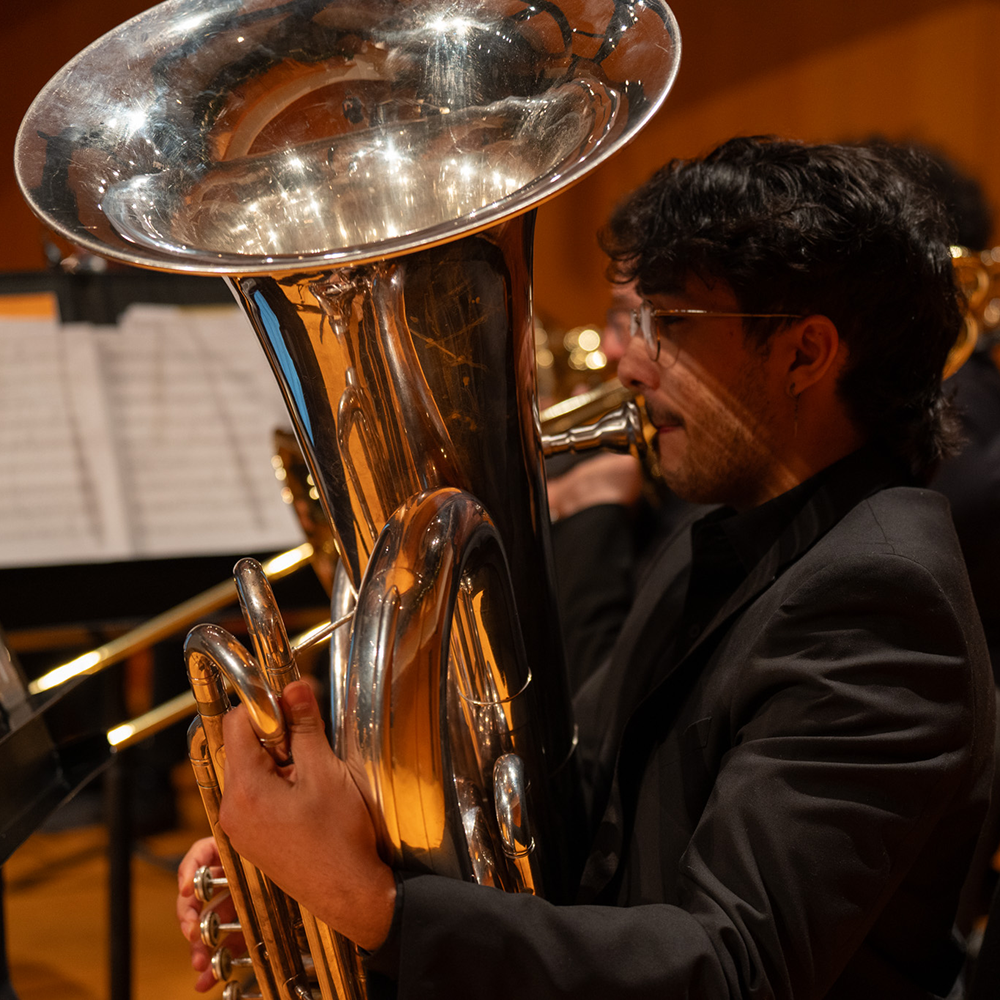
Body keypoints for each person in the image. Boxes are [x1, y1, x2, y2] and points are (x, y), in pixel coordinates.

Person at [177, 136, 996, 999]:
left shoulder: (881, 601)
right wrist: (314, 843)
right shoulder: (723, 535)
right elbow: (575, 817)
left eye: (670, 324)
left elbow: (733, 972)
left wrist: (372, 904)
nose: (625, 361)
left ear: (805, 353)